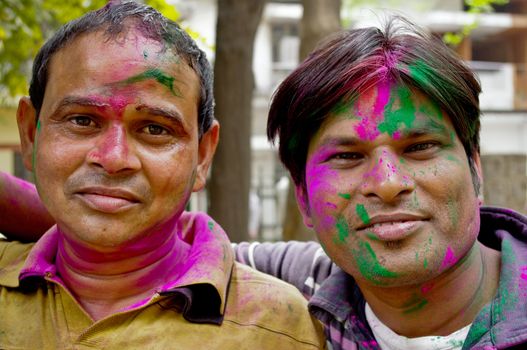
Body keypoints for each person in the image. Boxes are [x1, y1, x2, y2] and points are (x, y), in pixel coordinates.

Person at [3, 15, 527, 350]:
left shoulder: (289, 314)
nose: (388, 184)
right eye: (346, 155)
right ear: (302, 195)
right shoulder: (310, 285)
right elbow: (131, 236)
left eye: (419, 148)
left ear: (475, 165)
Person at [0, 1, 326, 349]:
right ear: (30, 135)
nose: (113, 159)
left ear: (202, 156)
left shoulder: (279, 327)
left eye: (154, 129)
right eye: (82, 121)